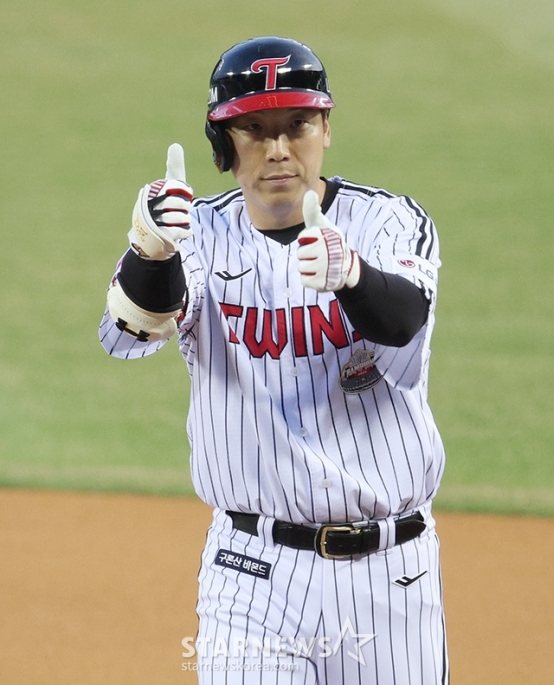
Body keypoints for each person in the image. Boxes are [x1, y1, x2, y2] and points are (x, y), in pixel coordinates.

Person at [99, 36, 449, 684]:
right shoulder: (201, 233)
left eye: (298, 125)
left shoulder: (387, 222)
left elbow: (403, 323)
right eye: (255, 130)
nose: (279, 149)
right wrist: (152, 252)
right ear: (223, 143)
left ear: (326, 129)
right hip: (252, 575)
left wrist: (351, 275)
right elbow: (134, 329)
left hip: (392, 575)